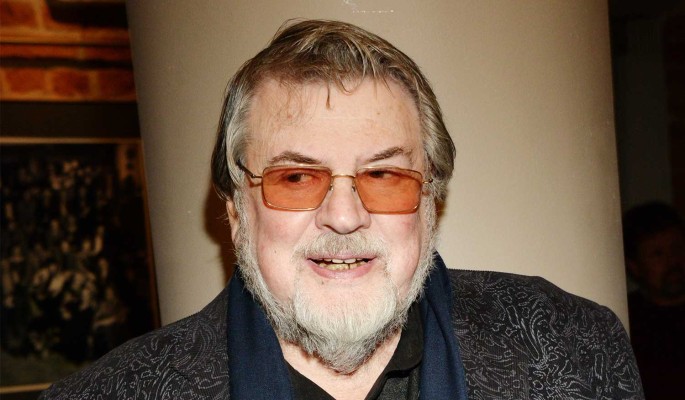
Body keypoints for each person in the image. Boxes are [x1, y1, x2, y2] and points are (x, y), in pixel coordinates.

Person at [41, 20, 644, 399]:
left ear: (430, 201)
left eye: (383, 175)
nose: (345, 215)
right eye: (297, 177)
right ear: (235, 210)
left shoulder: (572, 348)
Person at [623, 202, 685, 399]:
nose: (672, 261)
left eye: (677, 248)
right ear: (634, 266)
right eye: (657, 254)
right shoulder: (625, 319)